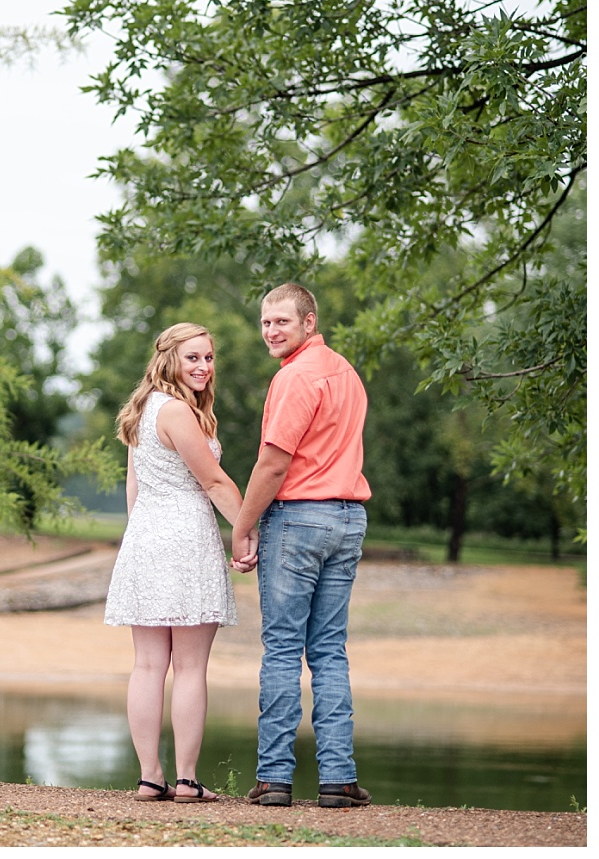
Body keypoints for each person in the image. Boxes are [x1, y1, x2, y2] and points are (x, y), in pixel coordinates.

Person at [230, 283, 371, 810]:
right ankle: (337, 779)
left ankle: (274, 779)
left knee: (285, 649)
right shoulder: (347, 373)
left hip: (300, 519)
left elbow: (273, 462)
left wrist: (243, 527)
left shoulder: (295, 377)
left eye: (282, 322)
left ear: (309, 323)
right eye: (266, 322)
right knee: (330, 650)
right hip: (348, 518)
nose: (271, 331)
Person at [103, 323, 245, 805]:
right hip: (185, 538)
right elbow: (215, 483)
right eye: (193, 358)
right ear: (169, 360)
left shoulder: (143, 411)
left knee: (146, 665)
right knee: (187, 668)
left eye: (209, 357)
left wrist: (139, 540)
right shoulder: (179, 412)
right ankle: (185, 780)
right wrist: (248, 532)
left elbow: (133, 486)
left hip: (145, 537)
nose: (204, 366)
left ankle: (149, 777)